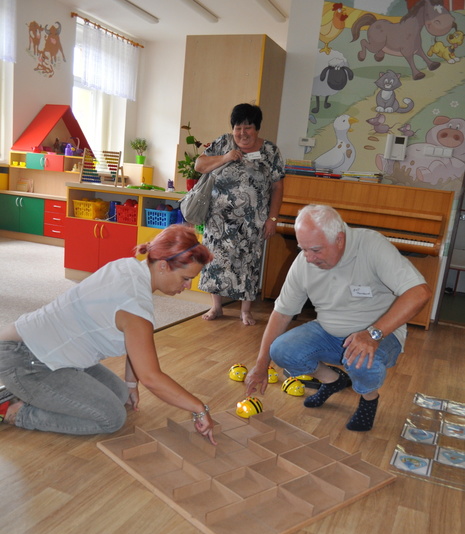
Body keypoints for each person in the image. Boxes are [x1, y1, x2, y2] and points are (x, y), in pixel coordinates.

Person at [0, 225, 217, 444]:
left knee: (119, 394)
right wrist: (198, 408)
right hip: (25, 361)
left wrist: (131, 385)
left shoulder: (127, 267)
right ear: (163, 266)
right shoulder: (135, 307)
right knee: (111, 418)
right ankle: (13, 410)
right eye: (185, 278)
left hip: (49, 352)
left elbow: (135, 347)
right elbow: (151, 378)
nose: (187, 285)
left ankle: (29, 394)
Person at [245, 204, 431, 431]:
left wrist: (373, 334)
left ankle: (369, 399)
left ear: (340, 239)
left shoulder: (371, 245)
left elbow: (420, 293)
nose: (308, 258)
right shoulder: (304, 261)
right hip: (328, 331)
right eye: (303, 249)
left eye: (315, 250)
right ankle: (333, 380)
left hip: (381, 334)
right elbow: (282, 314)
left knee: (362, 361)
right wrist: (261, 365)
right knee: (281, 350)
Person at [195, 103, 285, 326]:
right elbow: (199, 165)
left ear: (257, 128)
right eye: (238, 128)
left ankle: (246, 311)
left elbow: (277, 187)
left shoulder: (271, 151)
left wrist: (272, 219)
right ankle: (216, 306)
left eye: (248, 128)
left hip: (253, 221)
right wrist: (225, 157)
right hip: (218, 220)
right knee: (216, 262)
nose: (242, 133)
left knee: (249, 264)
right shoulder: (223, 143)